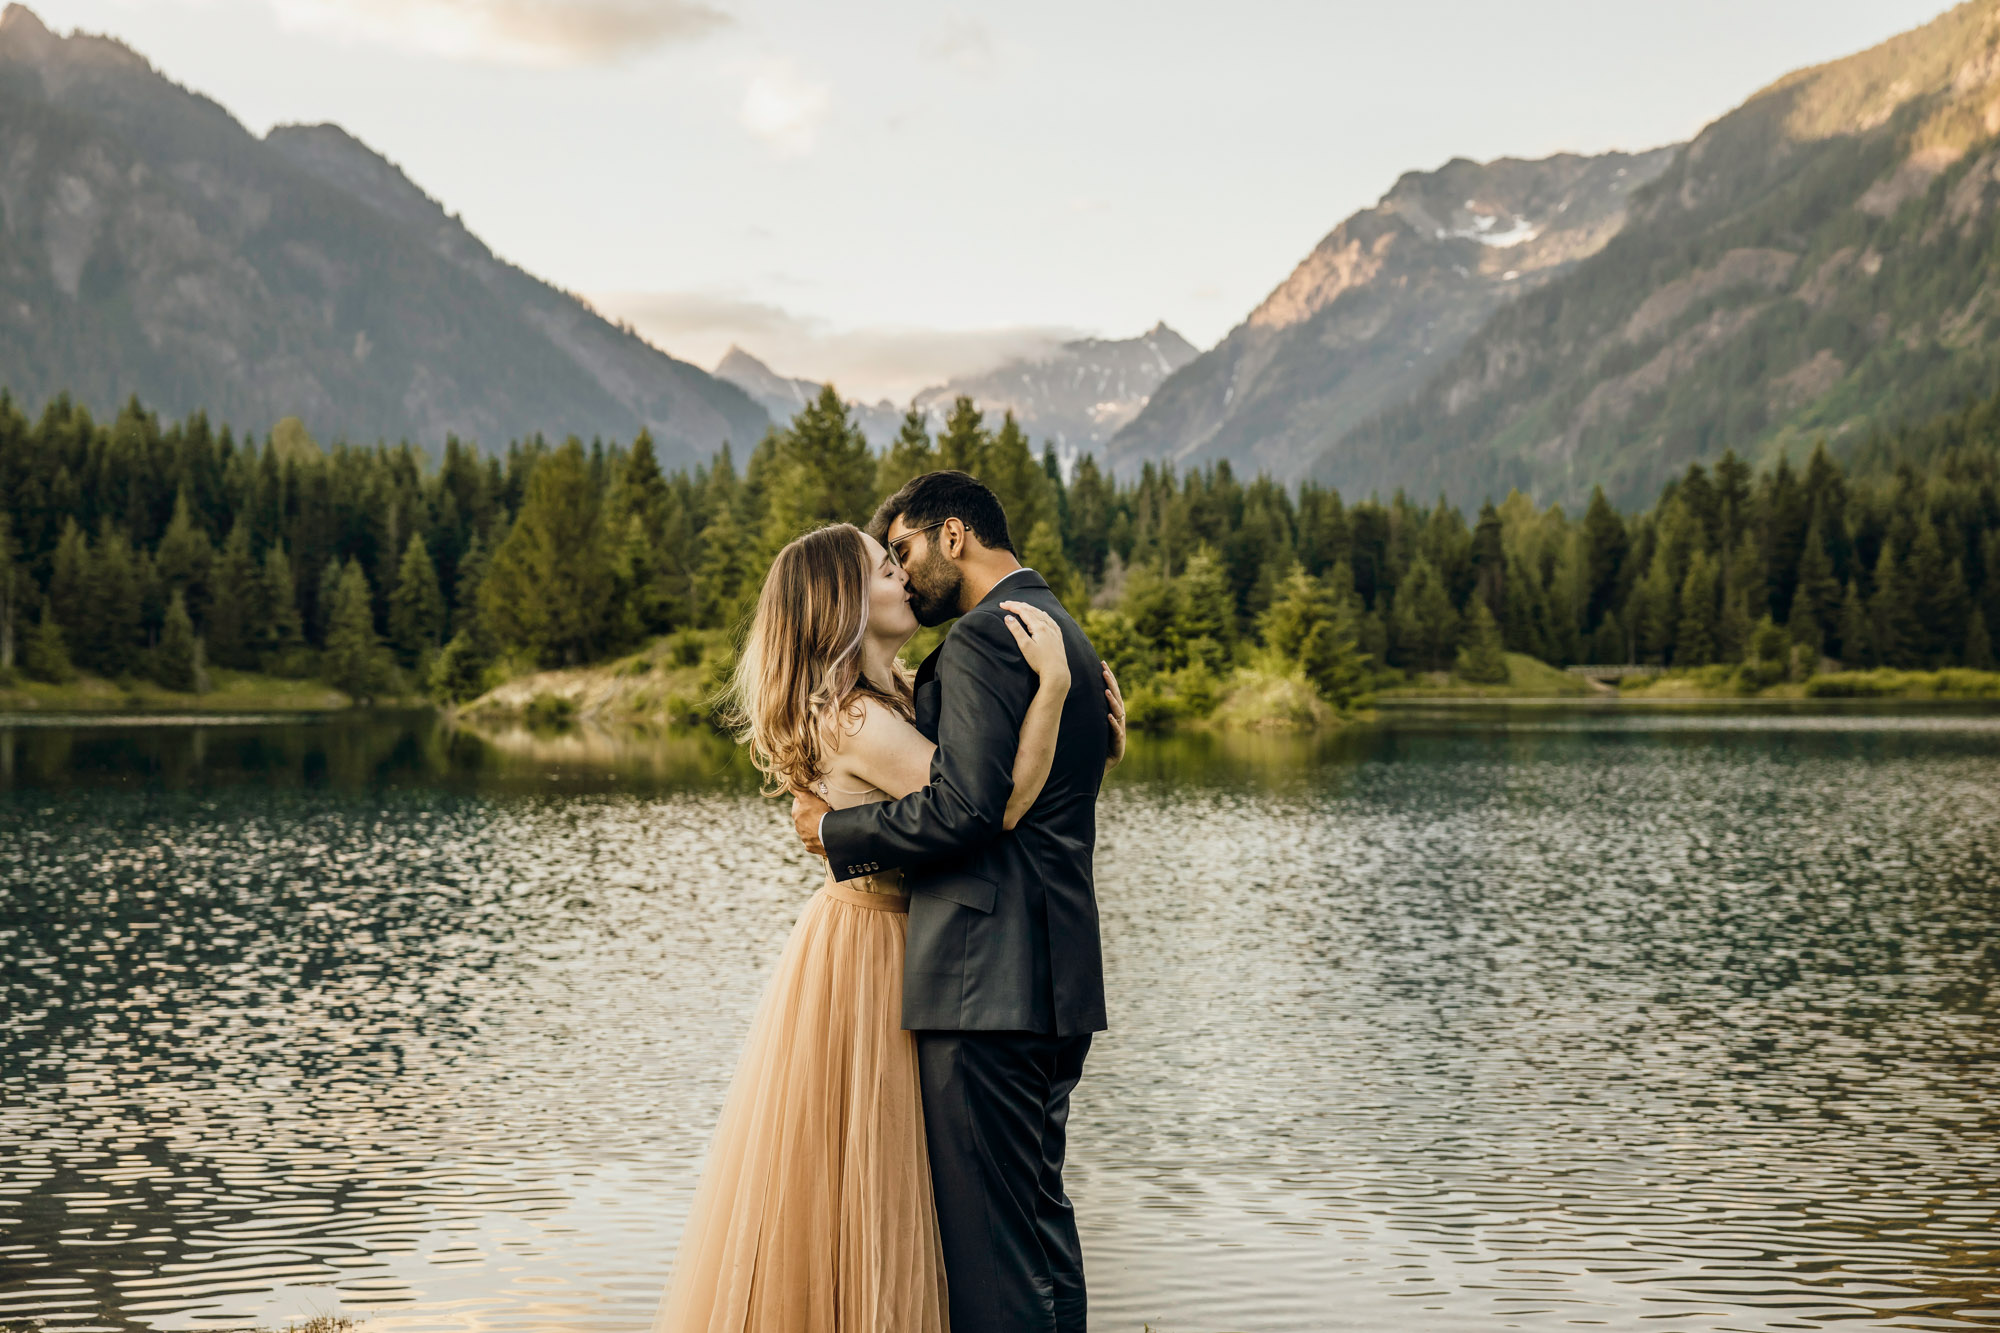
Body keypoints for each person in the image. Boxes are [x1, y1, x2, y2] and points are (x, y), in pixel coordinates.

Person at [654, 517, 1126, 1332]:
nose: (903, 579)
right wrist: (1053, 693)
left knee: (924, 1192)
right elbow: (990, 808)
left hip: (908, 941)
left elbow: (992, 777)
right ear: (842, 602)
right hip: (875, 950)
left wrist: (1089, 739)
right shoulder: (860, 721)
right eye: (883, 570)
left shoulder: (898, 699)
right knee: (875, 1183)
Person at [792, 471, 1119, 1333]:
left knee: (990, 1256)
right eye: (883, 566)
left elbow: (971, 806)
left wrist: (837, 832)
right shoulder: (1063, 630)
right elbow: (1048, 792)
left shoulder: (980, 638)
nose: (902, 575)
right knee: (1043, 1223)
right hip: (1057, 980)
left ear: (951, 534)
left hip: (984, 987)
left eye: (902, 552)